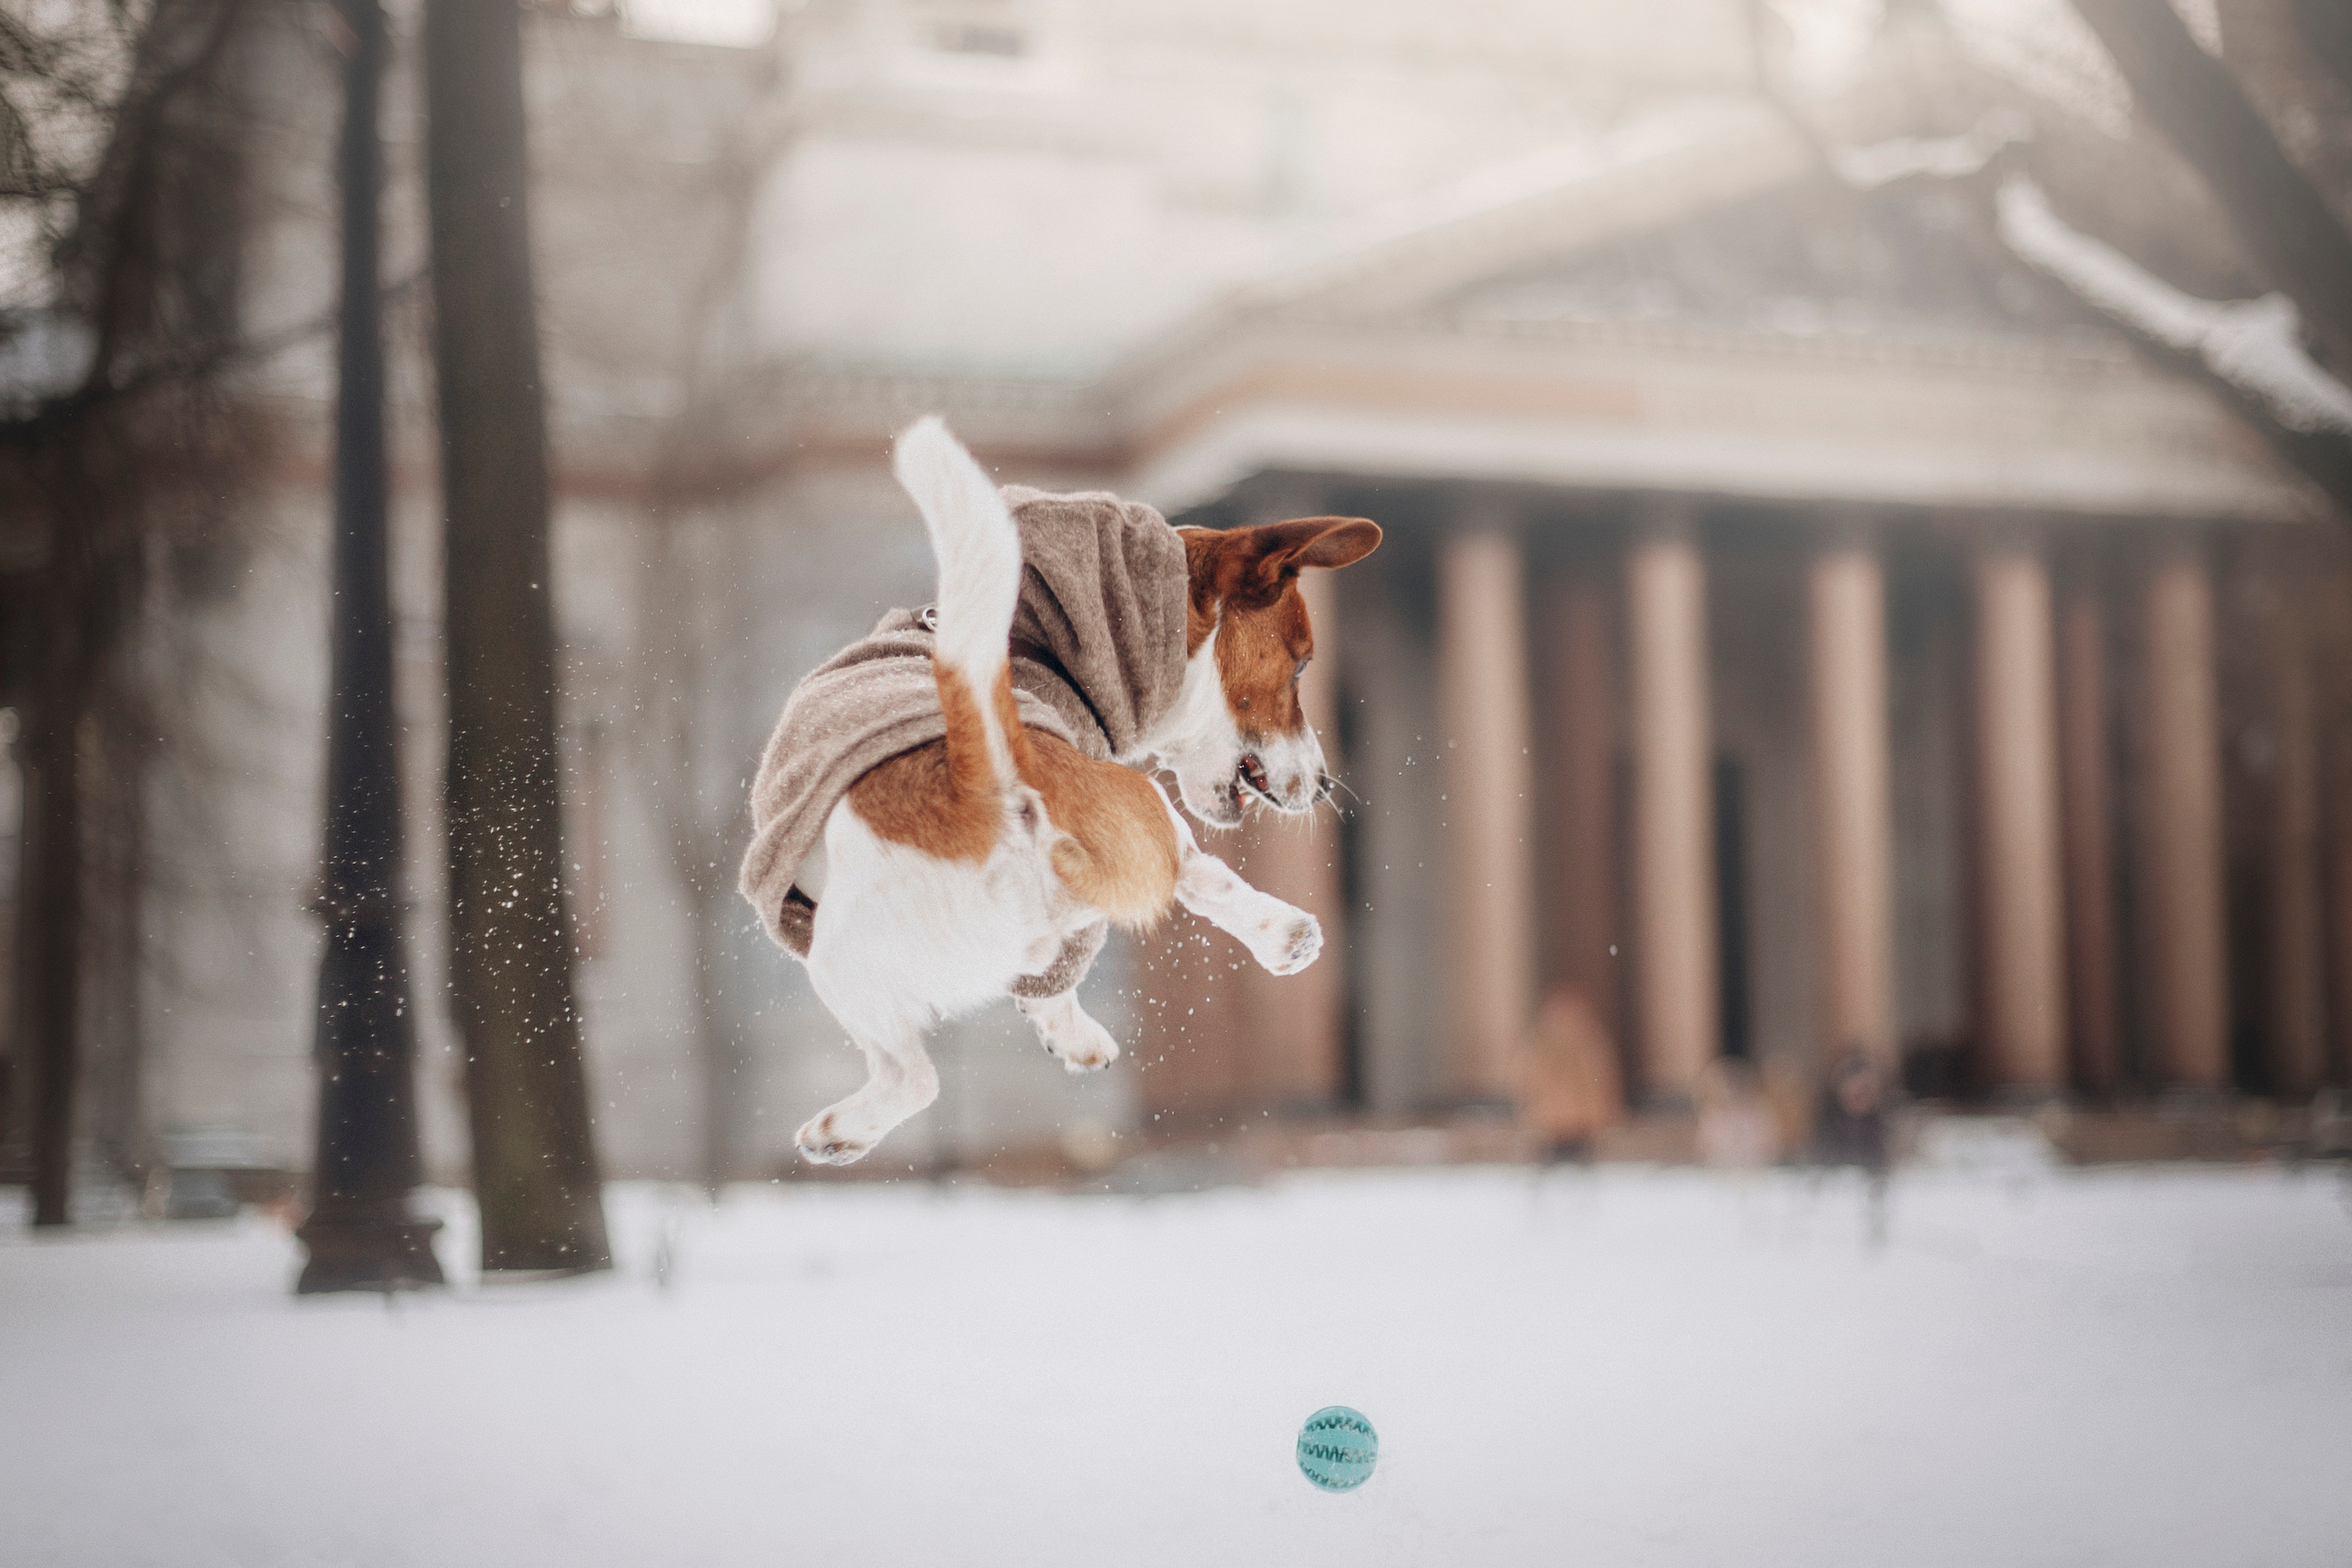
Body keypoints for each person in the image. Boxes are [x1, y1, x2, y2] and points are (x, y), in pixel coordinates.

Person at [1517, 986, 1624, 1162]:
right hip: (1564, 1124)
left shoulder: (1586, 1045)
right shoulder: (1587, 1045)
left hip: (1568, 1124)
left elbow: (1600, 1082)